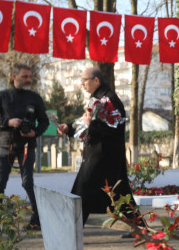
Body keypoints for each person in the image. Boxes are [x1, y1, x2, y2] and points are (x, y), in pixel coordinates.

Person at [57, 67, 136, 227]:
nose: (82, 84)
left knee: (83, 189)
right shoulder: (99, 98)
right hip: (101, 154)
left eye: (84, 80)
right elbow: (86, 121)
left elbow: (113, 129)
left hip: (104, 156)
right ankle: (140, 226)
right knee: (120, 193)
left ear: (96, 81)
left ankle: (72, 228)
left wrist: (90, 125)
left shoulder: (109, 100)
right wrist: (69, 128)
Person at [0, 63, 49, 230]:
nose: (28, 80)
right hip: (6, 146)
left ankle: (37, 220)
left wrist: (34, 133)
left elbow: (44, 122)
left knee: (28, 182)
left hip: (27, 146)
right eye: (24, 77)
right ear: (14, 77)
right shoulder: (2, 96)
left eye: (30, 77)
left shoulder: (35, 98)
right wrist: (8, 122)